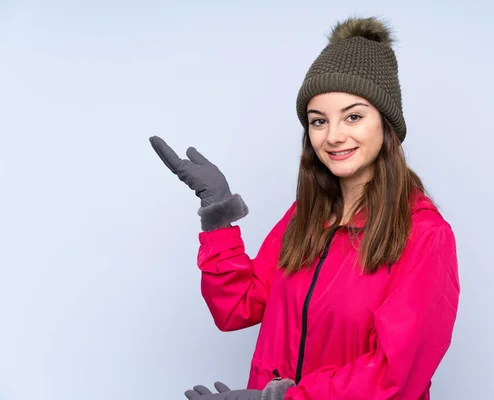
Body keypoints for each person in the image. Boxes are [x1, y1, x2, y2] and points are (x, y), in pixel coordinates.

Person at [149, 15, 460, 400]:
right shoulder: (305, 218)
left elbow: (395, 376)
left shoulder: (425, 236)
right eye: (318, 121)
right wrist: (217, 215)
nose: (333, 136)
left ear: (387, 124)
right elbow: (236, 307)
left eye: (353, 116)